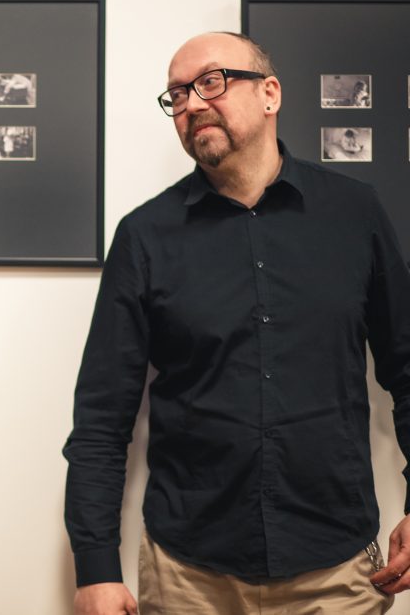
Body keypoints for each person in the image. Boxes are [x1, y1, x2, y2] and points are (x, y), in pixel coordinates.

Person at [63, 31, 410, 614]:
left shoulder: (356, 213)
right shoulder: (144, 236)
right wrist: (94, 567)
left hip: (335, 572)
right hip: (188, 577)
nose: (192, 103)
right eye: (177, 95)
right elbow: (102, 417)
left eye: (211, 82)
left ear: (269, 93)